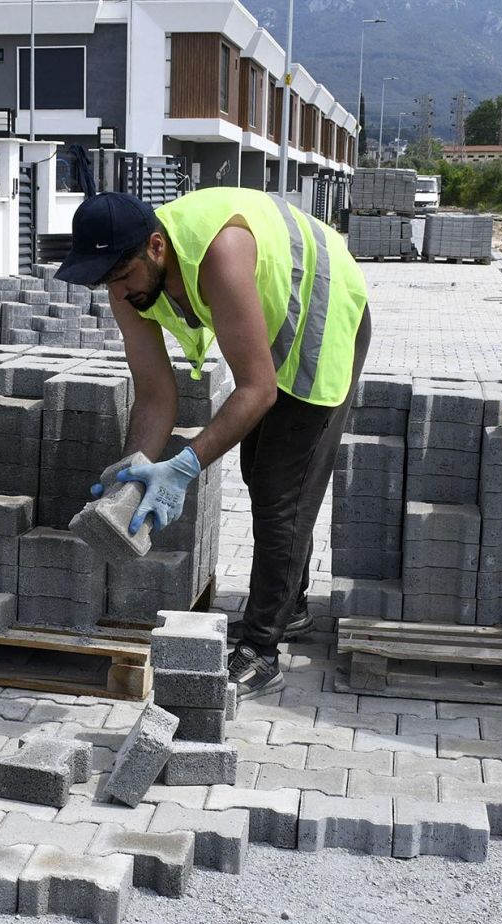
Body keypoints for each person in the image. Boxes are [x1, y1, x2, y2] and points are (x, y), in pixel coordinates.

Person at [55, 191, 371, 698]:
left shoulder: (218, 255)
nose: (117, 290)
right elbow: (157, 395)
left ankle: (262, 650)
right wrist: (133, 472)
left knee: (280, 485)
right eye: (107, 280)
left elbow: (257, 389)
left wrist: (183, 466)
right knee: (259, 469)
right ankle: (292, 604)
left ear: (156, 247)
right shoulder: (128, 282)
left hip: (323, 306)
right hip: (269, 310)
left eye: (121, 276)